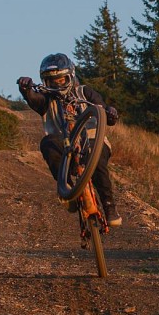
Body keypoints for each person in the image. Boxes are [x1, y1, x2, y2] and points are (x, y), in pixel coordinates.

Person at [17, 53, 122, 227]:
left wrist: (111, 113)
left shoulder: (85, 92)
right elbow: (33, 99)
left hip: (92, 141)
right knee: (47, 143)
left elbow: (103, 110)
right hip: (64, 146)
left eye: (61, 80)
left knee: (98, 163)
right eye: (52, 82)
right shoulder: (46, 100)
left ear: (71, 76)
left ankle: (109, 206)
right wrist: (25, 89)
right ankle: (67, 190)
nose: (57, 84)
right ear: (45, 83)